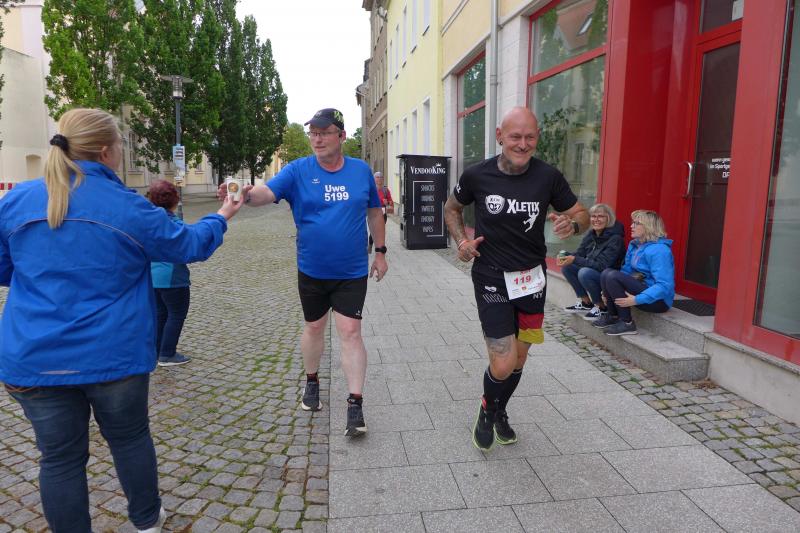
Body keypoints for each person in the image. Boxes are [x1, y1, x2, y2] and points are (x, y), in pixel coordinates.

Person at [0, 108, 246, 533]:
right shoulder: (127, 207)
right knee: (129, 439)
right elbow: (188, 245)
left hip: (34, 357)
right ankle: (146, 520)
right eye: (121, 145)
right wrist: (223, 213)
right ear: (106, 151)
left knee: (59, 459)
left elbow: (6, 269)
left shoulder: (16, 201)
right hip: (112, 354)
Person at [220, 108, 387, 437]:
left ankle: (355, 404)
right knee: (314, 327)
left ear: (341, 135)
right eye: (313, 133)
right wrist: (245, 193)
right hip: (312, 269)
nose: (317, 139)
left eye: (324, 133)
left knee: (351, 332)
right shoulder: (298, 170)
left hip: (351, 270)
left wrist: (380, 252)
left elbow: (374, 212)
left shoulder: (360, 171)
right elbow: (267, 193)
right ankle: (311, 381)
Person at [444, 106, 589, 451]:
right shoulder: (477, 175)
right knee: (504, 360)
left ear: (537, 138)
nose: (523, 144)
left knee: (520, 360)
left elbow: (581, 214)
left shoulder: (548, 177)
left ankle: (498, 410)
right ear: (499, 136)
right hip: (491, 277)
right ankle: (487, 410)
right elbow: (451, 208)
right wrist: (462, 242)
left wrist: (573, 225)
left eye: (530, 137)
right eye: (515, 137)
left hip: (532, 281)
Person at [592, 209, 675, 336]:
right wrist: (607, 291)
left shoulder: (660, 250)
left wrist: (636, 299)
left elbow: (664, 285)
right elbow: (626, 272)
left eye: (637, 223)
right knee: (606, 273)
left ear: (648, 227)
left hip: (659, 301)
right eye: (632, 223)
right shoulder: (636, 245)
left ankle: (627, 323)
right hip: (641, 289)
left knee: (612, 275)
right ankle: (613, 316)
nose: (631, 226)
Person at [148, 179, 192, 367]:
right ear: (175, 200)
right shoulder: (175, 225)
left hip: (153, 277)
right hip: (172, 278)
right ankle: (167, 354)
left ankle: (157, 350)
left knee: (160, 314)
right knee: (176, 314)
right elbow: (188, 250)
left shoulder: (148, 221)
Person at [558, 203, 625, 319]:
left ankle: (602, 307)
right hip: (594, 272)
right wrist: (565, 256)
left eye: (601, 216)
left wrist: (575, 259)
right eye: (593, 216)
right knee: (567, 267)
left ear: (609, 219)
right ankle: (586, 303)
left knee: (584, 272)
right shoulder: (591, 234)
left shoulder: (616, 239)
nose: (596, 219)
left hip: (608, 278)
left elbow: (602, 266)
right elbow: (579, 254)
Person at [368, 171, 393, 253]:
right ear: (374, 179)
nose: (379, 179)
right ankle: (370, 244)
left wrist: (387, 202)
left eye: (381, 177)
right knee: (373, 230)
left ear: (383, 179)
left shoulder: (385, 190)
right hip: (372, 212)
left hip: (383, 213)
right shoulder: (370, 189)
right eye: (377, 177)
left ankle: (379, 248)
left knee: (380, 231)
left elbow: (391, 202)